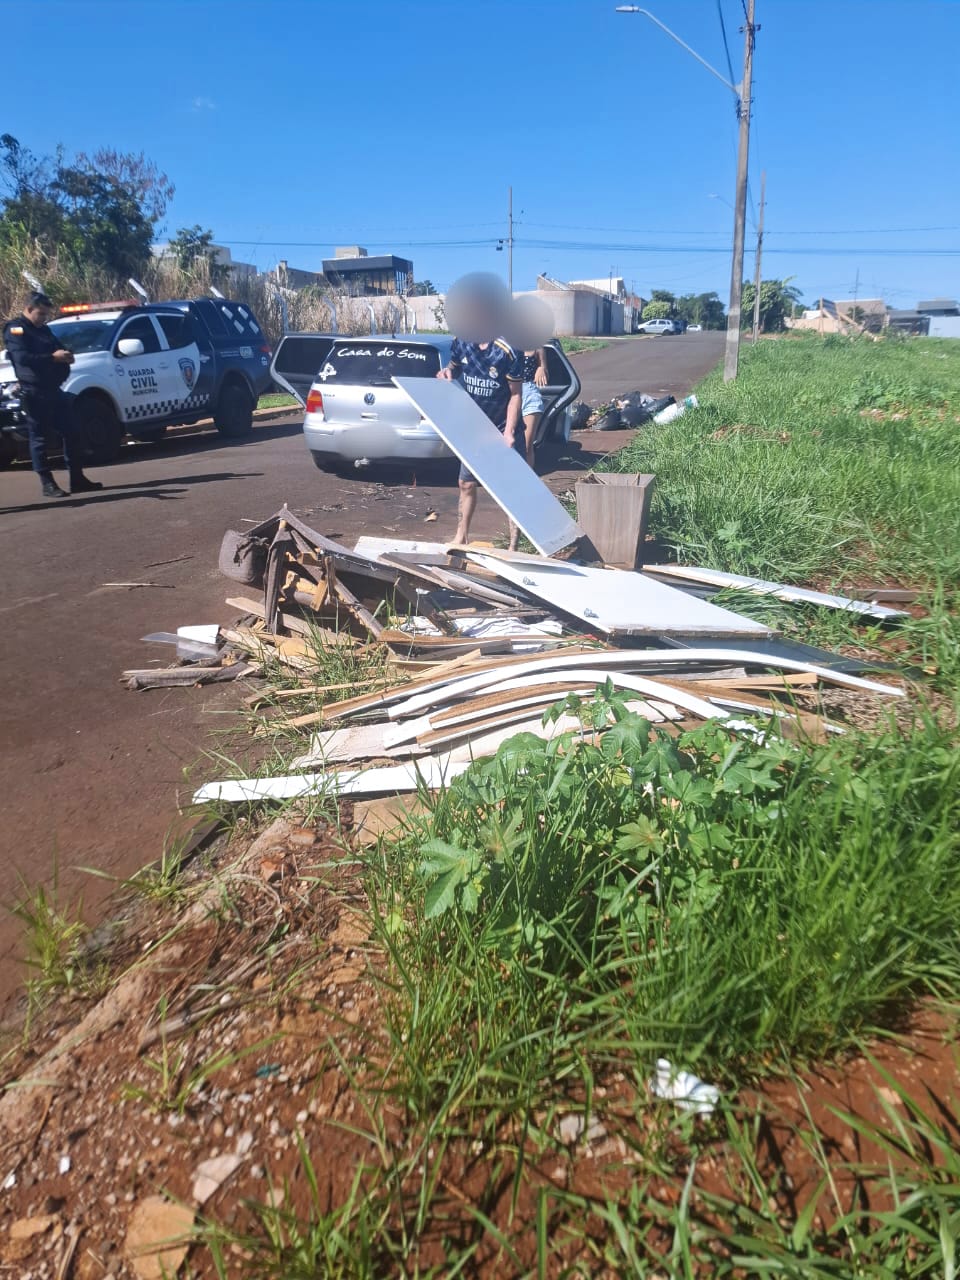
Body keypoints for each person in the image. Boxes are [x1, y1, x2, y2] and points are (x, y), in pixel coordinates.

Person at [3, 291, 102, 498]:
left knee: (73, 431)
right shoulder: (16, 330)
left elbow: (58, 348)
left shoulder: (44, 329)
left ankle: (77, 478)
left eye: (46, 315)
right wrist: (53, 358)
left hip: (54, 390)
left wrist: (66, 356)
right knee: (39, 439)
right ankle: (47, 483)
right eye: (40, 314)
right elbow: (23, 358)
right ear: (29, 309)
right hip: (34, 392)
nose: (43, 319)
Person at [437, 332, 524, 547]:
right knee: (466, 483)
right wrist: (446, 372)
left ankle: (513, 545)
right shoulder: (462, 342)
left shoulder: (509, 350)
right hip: (475, 428)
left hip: (504, 429)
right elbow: (453, 367)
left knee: (511, 489)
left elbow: (515, 394)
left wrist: (510, 432)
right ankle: (461, 536)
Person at [520, 348, 549, 467]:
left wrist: (541, 369)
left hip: (530, 394)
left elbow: (545, 372)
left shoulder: (537, 348)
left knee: (527, 445)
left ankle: (526, 481)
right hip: (508, 395)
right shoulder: (504, 346)